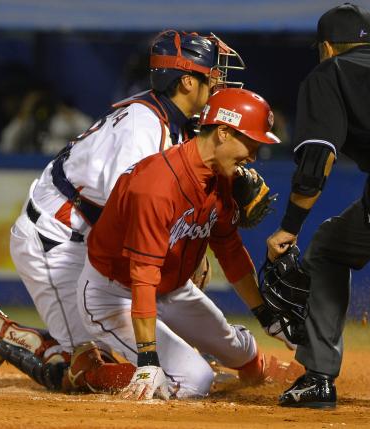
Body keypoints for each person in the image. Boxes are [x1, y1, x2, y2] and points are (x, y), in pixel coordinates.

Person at [0, 30, 248, 393]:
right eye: (212, 76)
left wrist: (194, 250)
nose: (220, 83)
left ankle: (174, 362)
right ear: (187, 82)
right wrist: (184, 254)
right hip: (57, 240)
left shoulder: (175, 124)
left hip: (87, 236)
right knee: (85, 371)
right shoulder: (143, 130)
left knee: (122, 343)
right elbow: (131, 216)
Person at [77, 87, 283, 401]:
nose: (253, 157)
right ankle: (89, 370)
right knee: (193, 381)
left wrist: (266, 314)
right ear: (224, 133)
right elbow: (142, 275)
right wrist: (148, 358)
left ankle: (232, 362)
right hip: (114, 293)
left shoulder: (222, 178)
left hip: (171, 288)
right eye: (251, 143)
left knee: (242, 352)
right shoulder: (156, 187)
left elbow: (229, 250)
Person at [266, 3, 370, 409]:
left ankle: (318, 378)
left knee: (328, 249)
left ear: (327, 50)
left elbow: (318, 158)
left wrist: (289, 227)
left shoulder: (331, 72)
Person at [0, 89, 93, 155]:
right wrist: (24, 112)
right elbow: (7, 143)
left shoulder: (61, 121)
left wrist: (70, 115)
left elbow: (91, 133)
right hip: (28, 167)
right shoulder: (26, 122)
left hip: (57, 166)